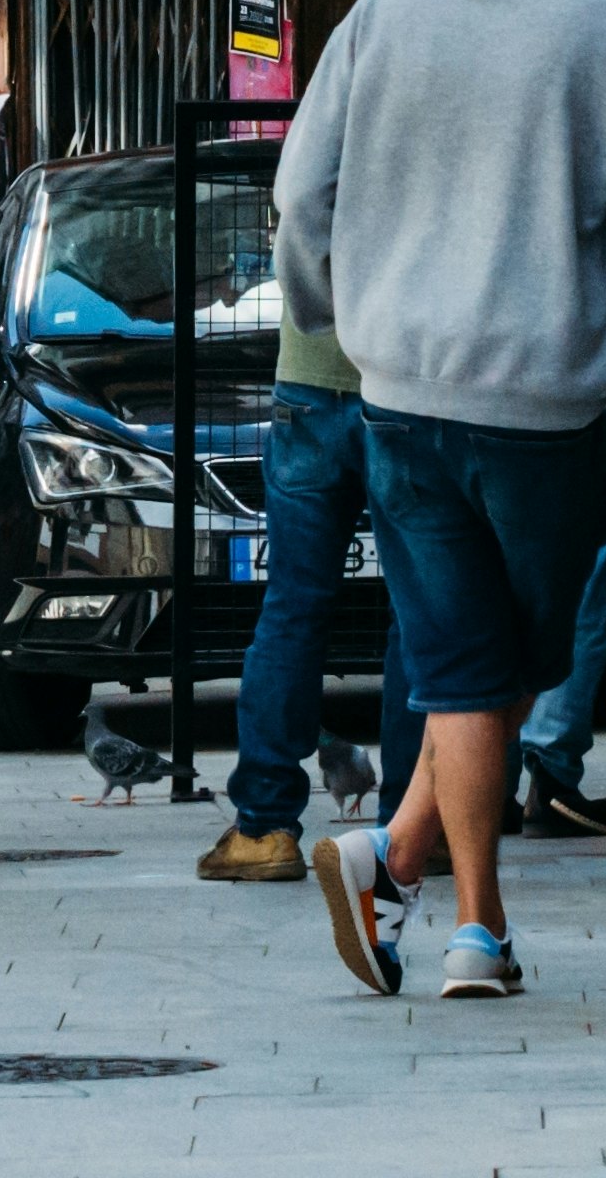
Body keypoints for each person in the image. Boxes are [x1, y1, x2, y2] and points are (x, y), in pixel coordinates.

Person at [283, 0, 606, 1001]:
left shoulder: (381, 13)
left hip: (399, 393)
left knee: (467, 663)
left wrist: (331, 309)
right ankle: (463, 919)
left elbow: (298, 191)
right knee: (503, 663)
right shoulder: (597, 27)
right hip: (538, 402)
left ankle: (403, 862)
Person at [202, 247, 424, 881]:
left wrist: (316, 310)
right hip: (408, 376)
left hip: (311, 377)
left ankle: (266, 827)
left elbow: (298, 209)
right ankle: (414, 825)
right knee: (417, 610)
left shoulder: (330, 137)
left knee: (294, 607)